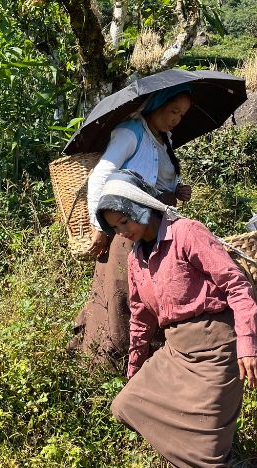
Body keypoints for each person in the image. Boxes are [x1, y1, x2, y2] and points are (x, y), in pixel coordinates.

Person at [95, 170, 257, 468]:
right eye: (115, 228)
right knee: (126, 403)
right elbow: (139, 319)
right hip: (175, 351)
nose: (123, 231)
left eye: (124, 222)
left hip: (217, 347)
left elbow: (238, 288)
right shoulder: (136, 258)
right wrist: (136, 371)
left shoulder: (187, 233)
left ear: (140, 206)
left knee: (207, 456)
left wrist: (248, 343)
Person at [70, 84, 193, 368]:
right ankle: (109, 358)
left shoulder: (164, 139)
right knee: (121, 290)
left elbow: (157, 181)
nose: (176, 118)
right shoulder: (131, 132)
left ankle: (148, 355)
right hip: (127, 225)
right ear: (157, 103)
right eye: (173, 110)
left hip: (153, 225)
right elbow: (101, 176)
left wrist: (177, 190)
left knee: (151, 288)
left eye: (182, 115)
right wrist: (100, 226)